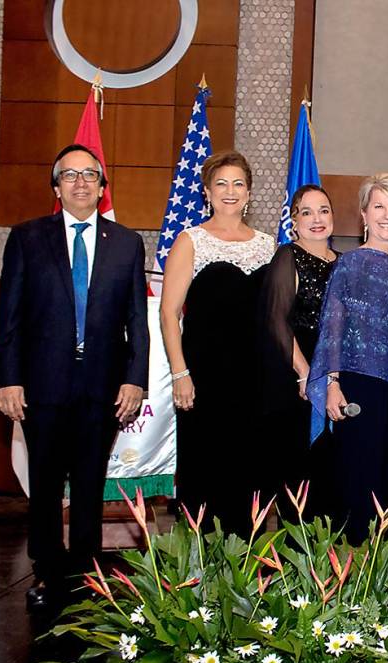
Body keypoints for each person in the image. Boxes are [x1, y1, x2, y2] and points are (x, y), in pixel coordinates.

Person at [0, 144, 149, 611]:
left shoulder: (126, 242)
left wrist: (134, 378)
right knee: (44, 483)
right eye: (70, 175)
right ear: (56, 187)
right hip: (42, 385)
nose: (81, 183)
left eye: (90, 175)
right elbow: (11, 319)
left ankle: (87, 573)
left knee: (88, 482)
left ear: (103, 188)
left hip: (103, 387)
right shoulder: (27, 238)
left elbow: (136, 320)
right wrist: (8, 380)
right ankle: (46, 570)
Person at [306, 173, 388, 542]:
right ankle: (354, 579)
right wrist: (331, 384)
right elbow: (332, 328)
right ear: (363, 214)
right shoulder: (348, 266)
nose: (387, 214)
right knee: (358, 483)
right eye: (378, 205)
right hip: (357, 391)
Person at [161, 151, 275, 536]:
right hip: (204, 382)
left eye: (238, 184)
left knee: (251, 475)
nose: (230, 191)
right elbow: (169, 312)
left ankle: (245, 577)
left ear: (249, 193)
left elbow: (276, 316)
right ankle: (200, 581)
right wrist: (180, 373)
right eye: (221, 184)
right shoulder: (190, 241)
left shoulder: (268, 245)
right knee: (204, 475)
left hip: (255, 381)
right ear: (207, 192)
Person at [257, 184, 339, 515]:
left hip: (336, 374)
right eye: (307, 212)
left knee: (330, 476)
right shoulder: (287, 256)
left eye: (324, 210)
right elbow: (276, 320)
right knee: (297, 478)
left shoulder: (346, 263)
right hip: (297, 378)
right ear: (295, 221)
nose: (317, 219)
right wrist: (306, 372)